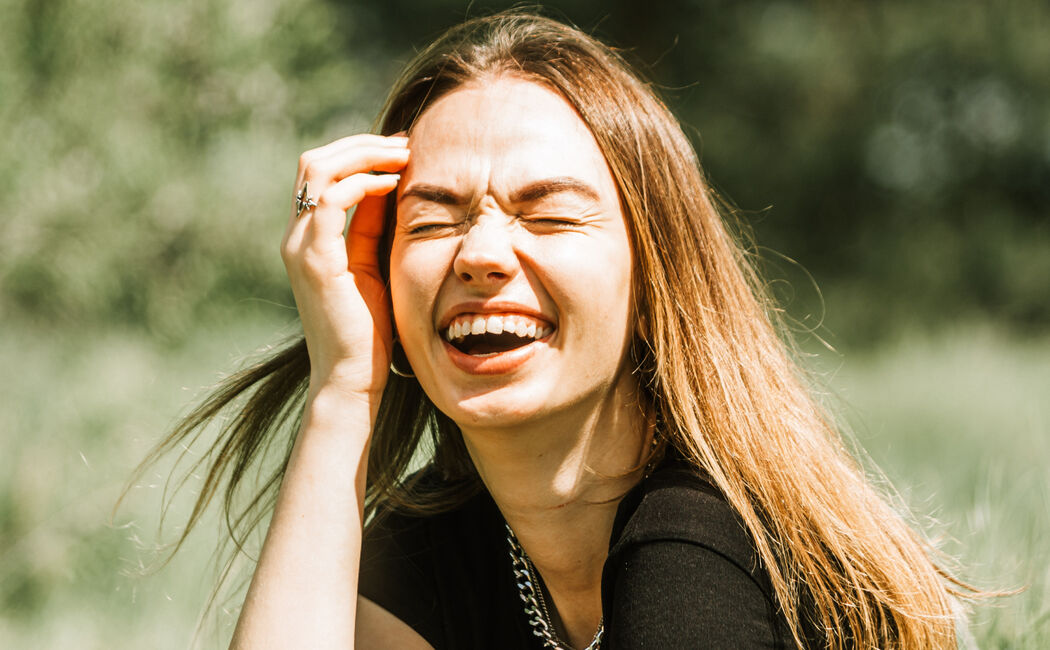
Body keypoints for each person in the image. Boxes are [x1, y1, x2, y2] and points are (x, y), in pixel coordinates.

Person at [135, 10, 973, 649]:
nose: (481, 254)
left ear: (655, 273)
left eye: (550, 215)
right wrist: (341, 391)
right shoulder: (436, 549)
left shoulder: (703, 542)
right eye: (432, 221)